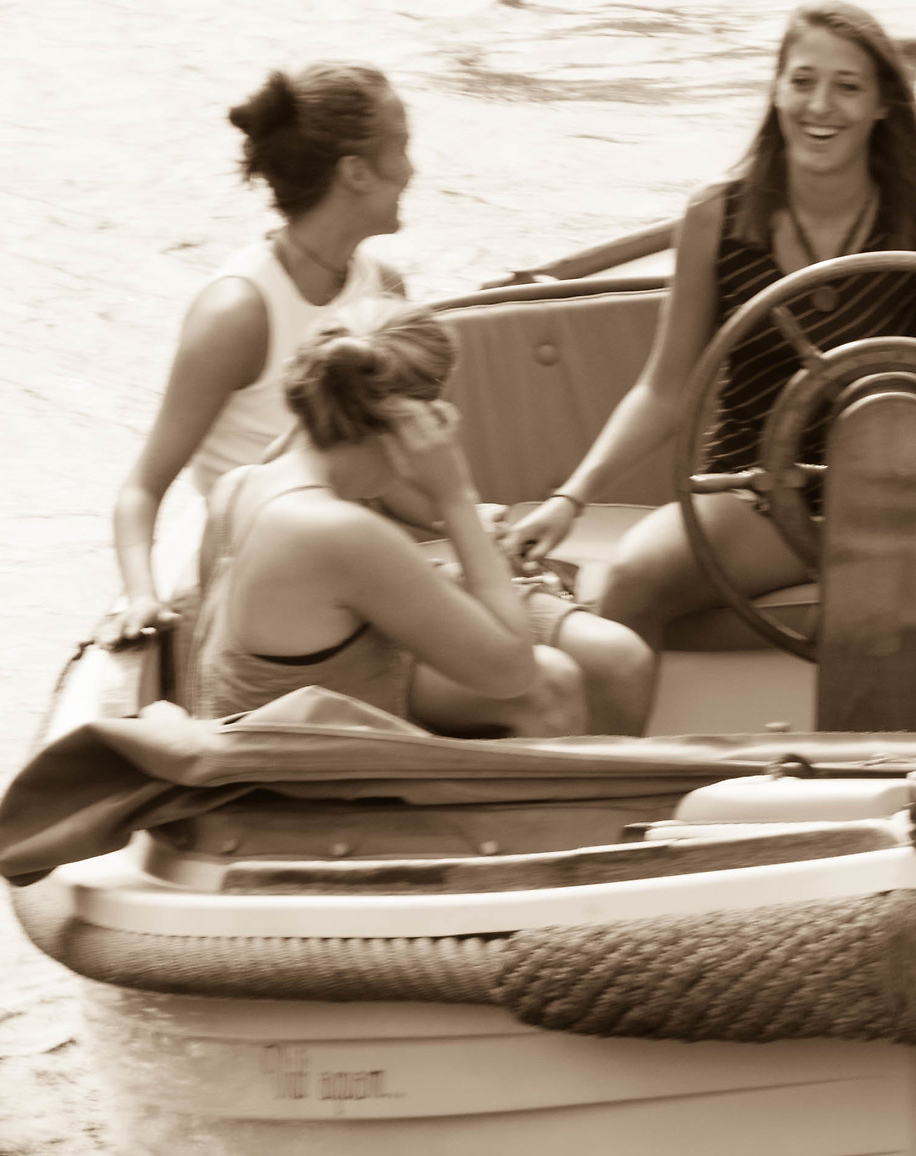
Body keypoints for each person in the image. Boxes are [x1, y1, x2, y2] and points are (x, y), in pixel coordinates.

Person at [501, 3, 916, 728]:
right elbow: (664, 388)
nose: (820, 106)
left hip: (912, 497)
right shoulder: (716, 216)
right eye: (802, 80)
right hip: (754, 495)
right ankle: (608, 802)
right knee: (626, 579)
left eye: (847, 87)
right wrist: (571, 498)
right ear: (776, 90)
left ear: (881, 106)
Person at [111, 63, 654, 731]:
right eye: (401, 144)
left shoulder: (377, 291)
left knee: (616, 661)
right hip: (301, 588)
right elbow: (145, 486)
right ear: (356, 171)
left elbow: (372, 473)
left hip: (369, 553)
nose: (413, 167)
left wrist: (469, 518)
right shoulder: (236, 311)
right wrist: (140, 595)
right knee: (547, 684)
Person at [188, 309, 589, 738]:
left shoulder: (237, 488)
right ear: (411, 425)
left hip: (246, 750)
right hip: (295, 783)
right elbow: (512, 671)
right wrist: (454, 497)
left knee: (557, 678)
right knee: (550, 687)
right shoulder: (338, 532)